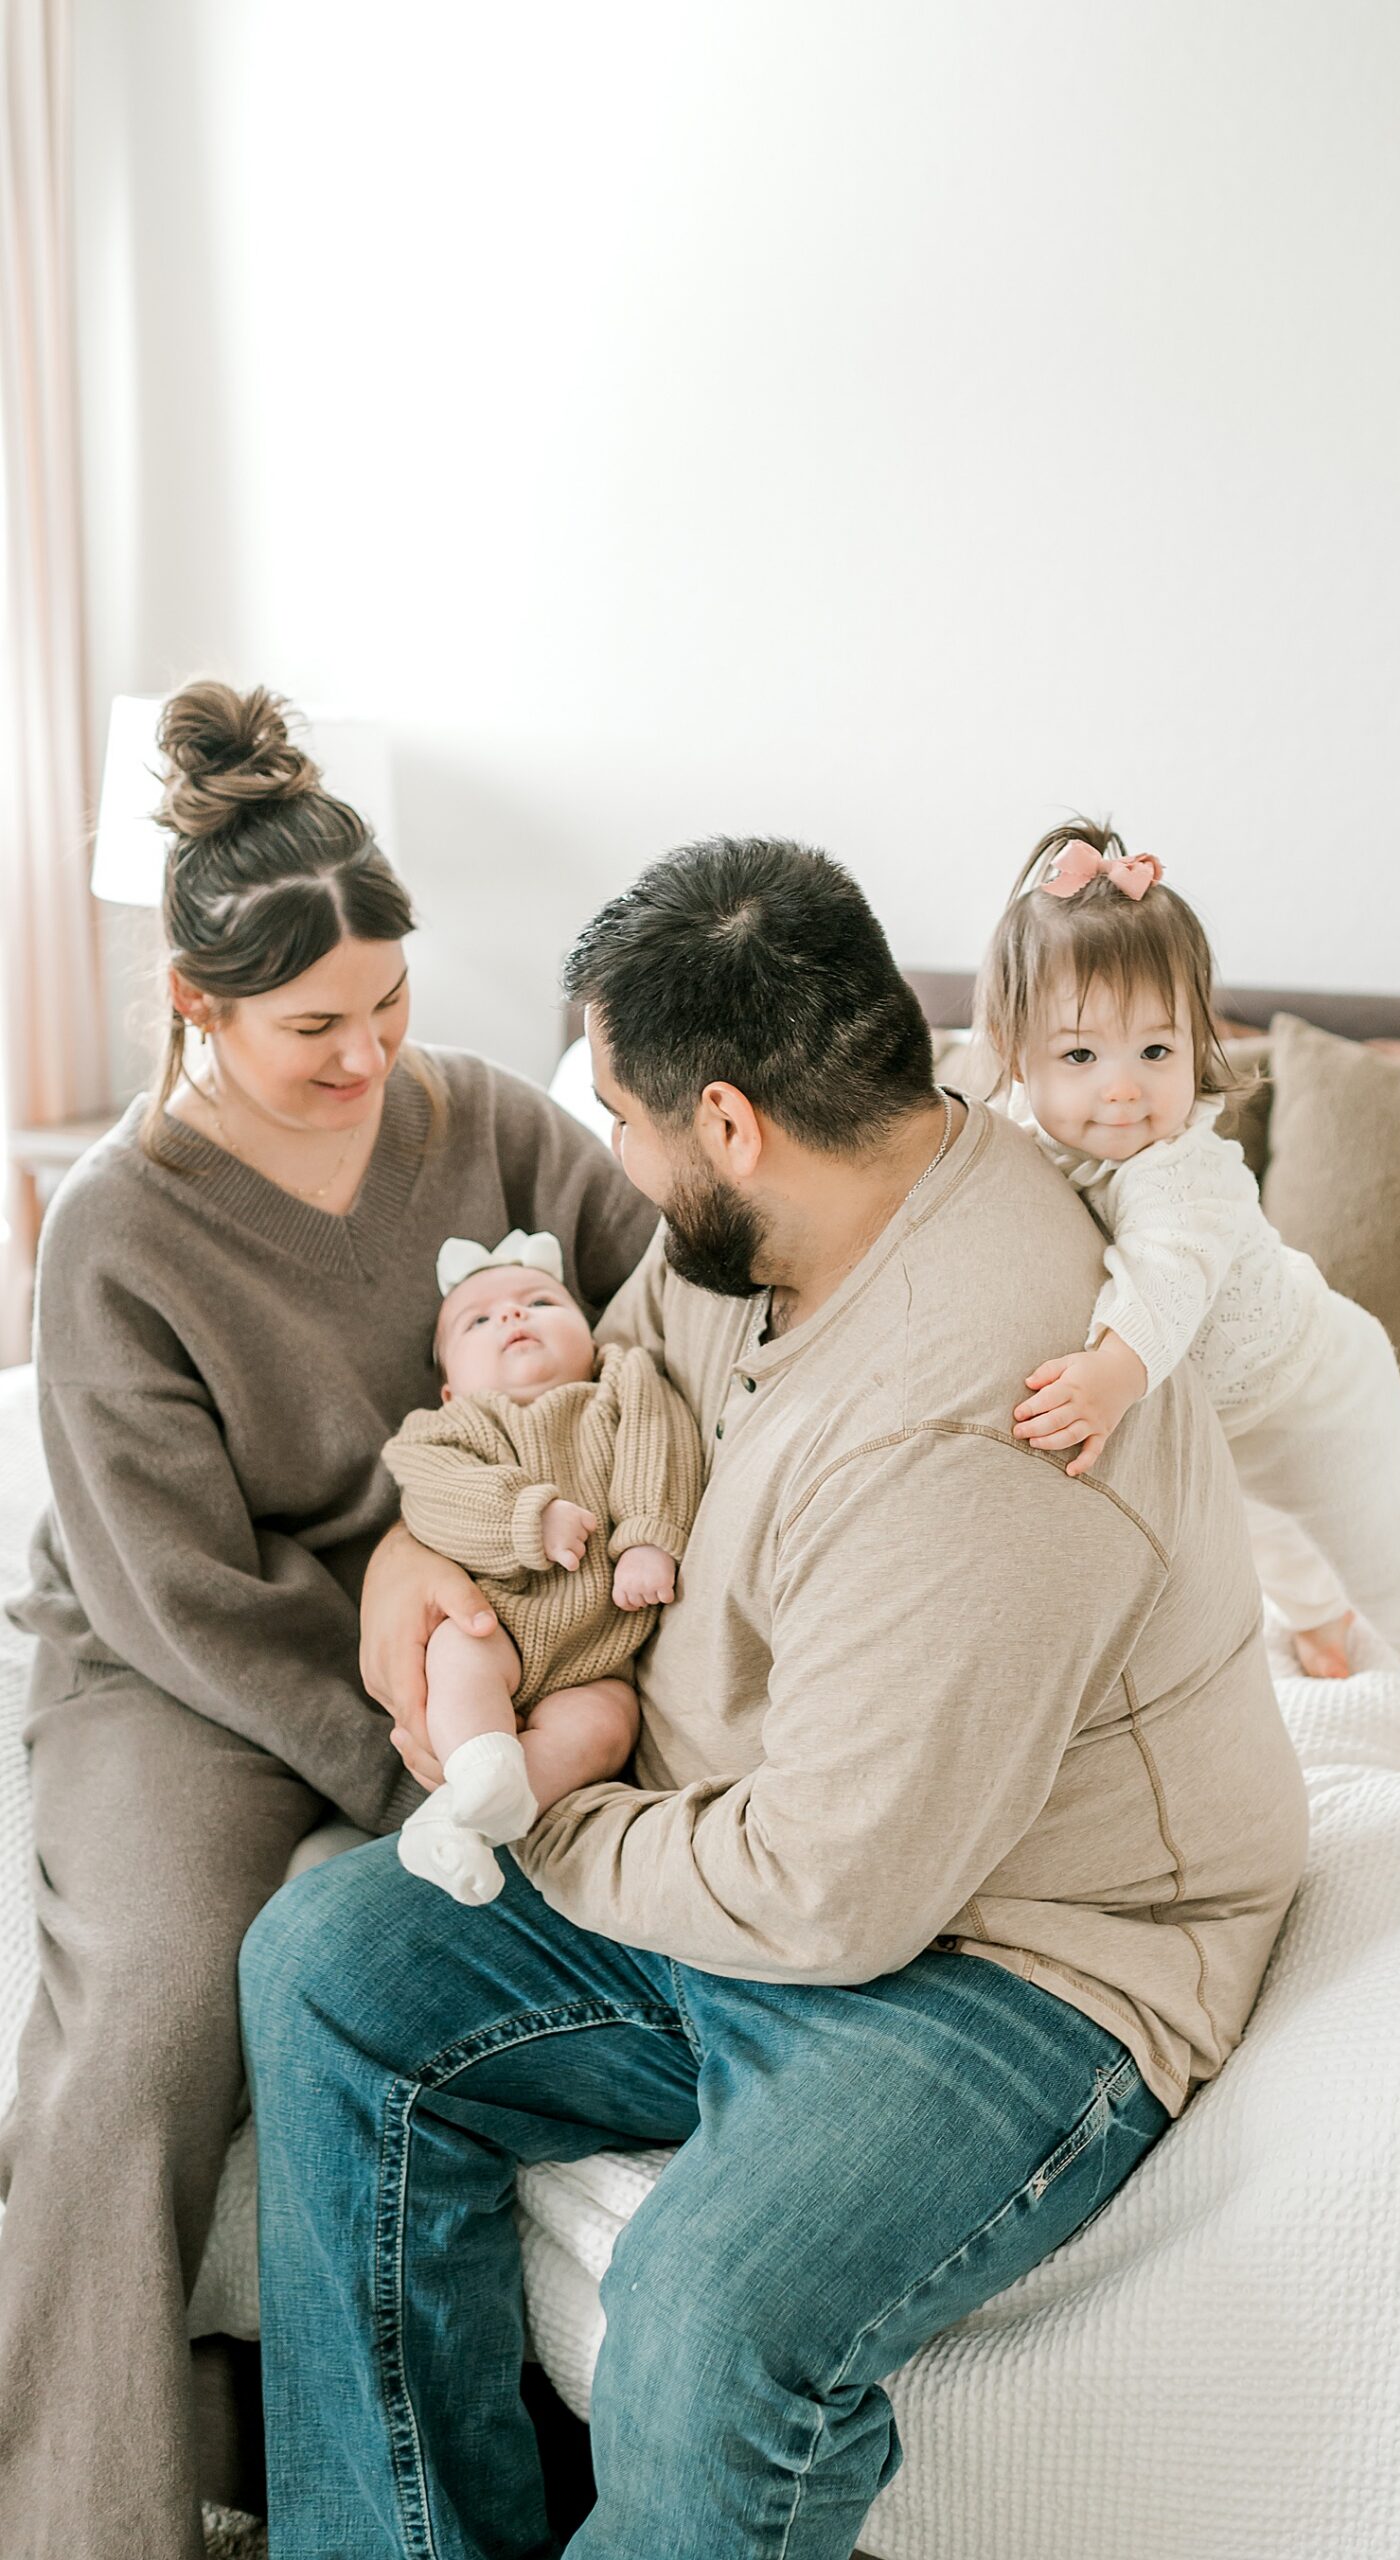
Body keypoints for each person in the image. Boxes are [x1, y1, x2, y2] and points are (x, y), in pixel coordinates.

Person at [239, 836, 1312, 2560]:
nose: (617, 1156)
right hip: (750, 1846)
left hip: (1009, 1948)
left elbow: (834, 1891)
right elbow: (620, 1396)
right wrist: (414, 1559)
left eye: (625, 1118)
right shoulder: (773, 1228)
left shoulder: (971, 1408)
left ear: (728, 1123)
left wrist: (559, 1810)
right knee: (325, 1969)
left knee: (707, 2322)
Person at [0, 682, 656, 2560]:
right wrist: (419, 1771)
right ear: (197, 1009)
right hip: (190, 1673)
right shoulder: (116, 1228)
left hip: (498, 1635)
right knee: (138, 2035)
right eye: (315, 1030)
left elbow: (676, 1313)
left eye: (387, 1005)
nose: (371, 1055)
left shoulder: (497, 1128)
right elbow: (181, 1594)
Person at [987, 819, 1400, 1760]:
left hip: (1315, 1388)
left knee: (1388, 1556)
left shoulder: (1182, 1171)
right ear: (1016, 1054)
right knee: (1268, 1541)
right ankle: (1320, 1624)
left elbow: (1166, 1276)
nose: (1122, 1090)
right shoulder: (1020, 1127)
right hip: (1222, 1416)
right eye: (1081, 1056)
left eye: (1156, 1053)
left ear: (1196, 1042)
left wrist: (1113, 1376)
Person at [384, 1226, 701, 1906]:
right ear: (449, 1389)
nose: (512, 1315)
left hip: (597, 1658)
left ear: (589, 1340)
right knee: (458, 1656)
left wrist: (647, 1538)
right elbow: (437, 1498)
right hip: (495, 1618)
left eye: (541, 1302)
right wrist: (529, 1517)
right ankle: (481, 1767)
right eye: (479, 1319)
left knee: (607, 1728)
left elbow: (661, 1447)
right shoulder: (445, 1431)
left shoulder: (621, 1383)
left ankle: (467, 1818)